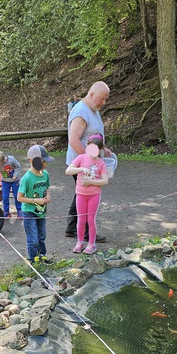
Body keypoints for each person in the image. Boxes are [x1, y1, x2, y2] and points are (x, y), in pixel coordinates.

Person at [65, 81, 111, 242]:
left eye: (106, 99)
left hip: (88, 163)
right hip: (81, 164)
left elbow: (93, 135)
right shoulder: (81, 112)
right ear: (91, 94)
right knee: (88, 193)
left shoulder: (93, 108)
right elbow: (74, 141)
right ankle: (84, 232)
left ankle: (72, 227)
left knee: (81, 192)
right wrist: (90, 162)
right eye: (101, 99)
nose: (104, 103)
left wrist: (103, 148)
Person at [65, 134, 108, 254]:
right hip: (81, 194)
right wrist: (81, 169)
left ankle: (91, 244)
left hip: (94, 195)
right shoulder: (81, 158)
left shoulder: (101, 163)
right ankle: (80, 242)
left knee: (90, 220)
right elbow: (68, 170)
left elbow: (105, 180)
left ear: (100, 150)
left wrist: (91, 182)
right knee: (81, 219)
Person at [17, 144, 54, 264]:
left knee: (42, 236)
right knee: (33, 239)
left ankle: (42, 256)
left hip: (41, 211)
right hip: (29, 212)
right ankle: (33, 259)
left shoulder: (45, 174)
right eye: (43, 161)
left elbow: (47, 187)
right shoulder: (27, 178)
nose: (45, 164)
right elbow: (19, 198)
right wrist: (36, 201)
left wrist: (48, 195)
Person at [0, 150, 22, 218]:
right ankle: (6, 211)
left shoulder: (11, 159)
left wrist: (15, 175)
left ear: (3, 161)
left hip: (15, 181)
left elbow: (18, 166)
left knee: (17, 195)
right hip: (5, 182)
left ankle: (19, 210)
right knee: (5, 197)